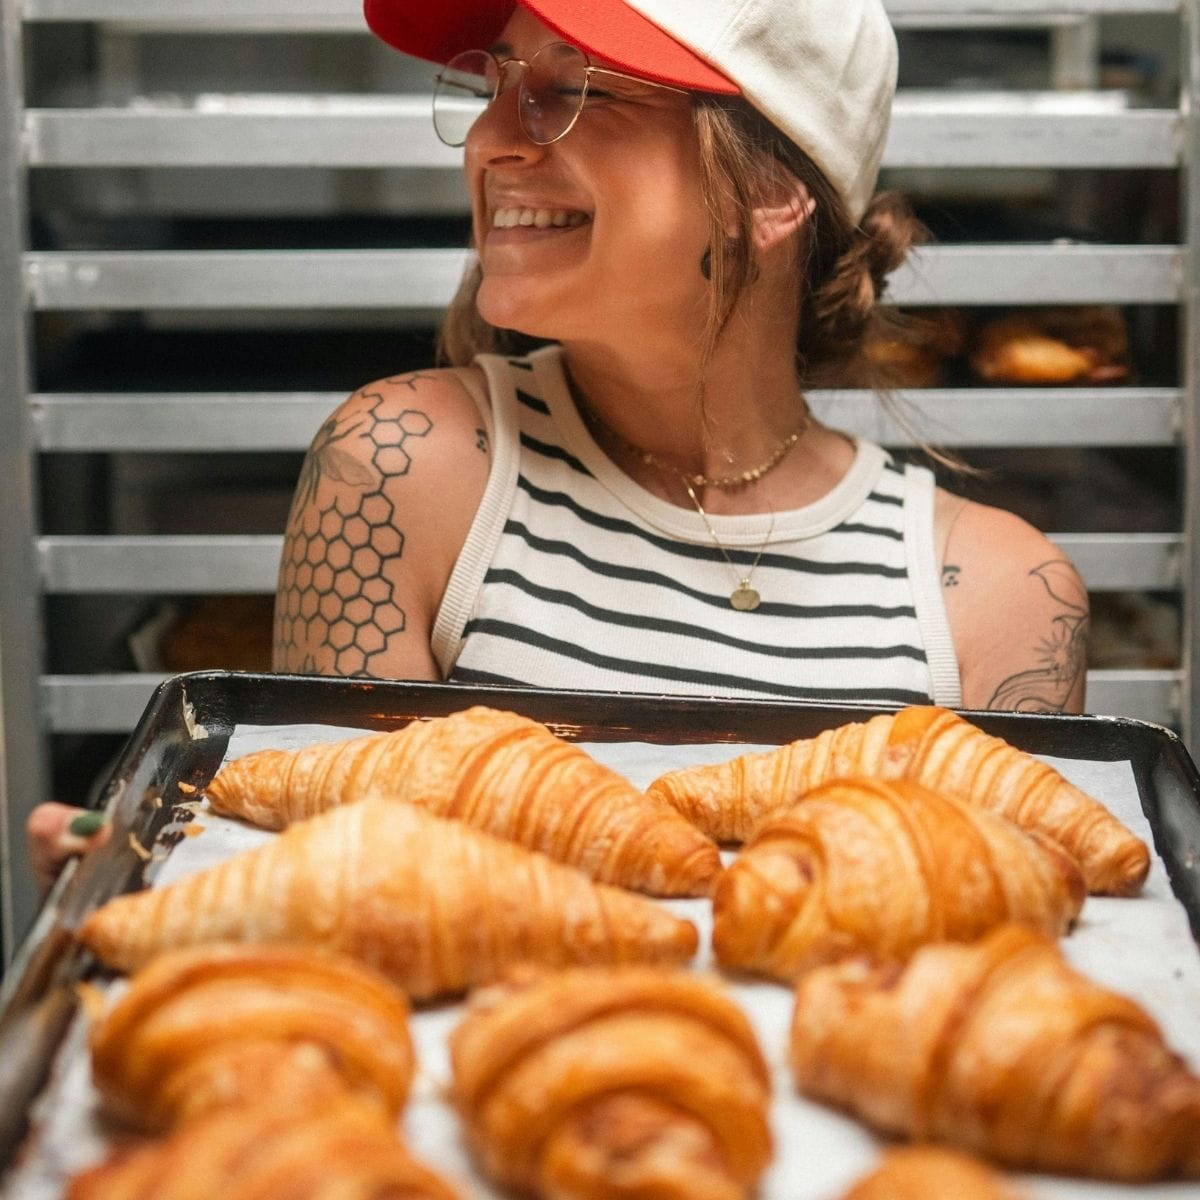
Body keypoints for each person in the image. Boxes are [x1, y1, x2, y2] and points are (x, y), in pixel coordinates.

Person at [28, 0, 1089, 888]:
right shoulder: (405, 468)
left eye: (575, 88)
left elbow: (1005, 942)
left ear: (769, 192)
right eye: (495, 83)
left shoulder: (996, 596)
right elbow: (347, 898)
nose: (495, 138)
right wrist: (166, 888)